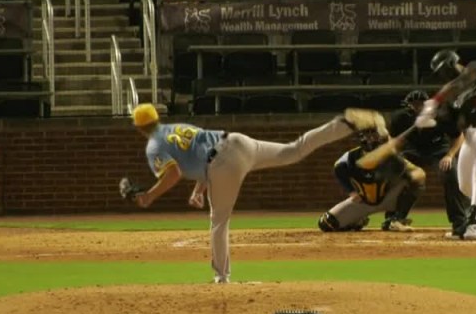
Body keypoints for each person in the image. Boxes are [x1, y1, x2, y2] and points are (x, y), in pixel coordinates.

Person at [126, 104, 381, 283]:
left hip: (223, 164)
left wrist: (149, 196)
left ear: (139, 128)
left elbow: (172, 173)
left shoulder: (154, 146)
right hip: (238, 142)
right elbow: (201, 150)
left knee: (218, 222)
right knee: (293, 150)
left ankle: (221, 278)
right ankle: (343, 124)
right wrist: (199, 189)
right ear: (157, 118)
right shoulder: (175, 127)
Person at [415, 50, 476, 240]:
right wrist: (431, 119)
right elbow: (453, 124)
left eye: (444, 71)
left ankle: (474, 225)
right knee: (465, 185)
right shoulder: (451, 97)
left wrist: (435, 101)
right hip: (472, 134)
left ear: (452, 63)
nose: (443, 76)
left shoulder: (475, 68)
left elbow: (459, 83)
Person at [389, 90, 470, 235]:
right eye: (413, 105)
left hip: (438, 150)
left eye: (420, 104)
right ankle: (395, 218)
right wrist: (395, 151)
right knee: (396, 171)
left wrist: (449, 155)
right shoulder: (400, 118)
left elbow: (459, 136)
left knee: (450, 174)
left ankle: (459, 221)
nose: (417, 108)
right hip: (412, 150)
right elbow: (392, 140)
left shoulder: (441, 117)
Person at [319, 125, 425, 234]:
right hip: (363, 201)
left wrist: (410, 176)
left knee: (416, 181)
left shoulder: (392, 157)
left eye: (374, 135)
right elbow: (338, 168)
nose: (372, 139)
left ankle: (396, 219)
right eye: (369, 136)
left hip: (387, 199)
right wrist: (351, 191)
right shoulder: (350, 157)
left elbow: (419, 174)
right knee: (326, 223)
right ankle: (357, 221)